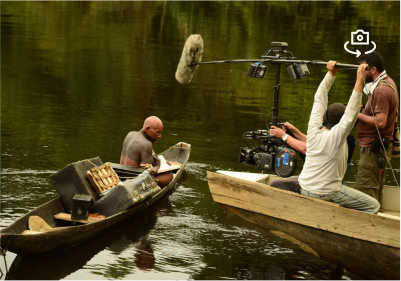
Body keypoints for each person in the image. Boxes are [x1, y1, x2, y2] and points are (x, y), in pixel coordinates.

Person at [298, 61, 380, 214]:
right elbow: (351, 113)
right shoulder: (337, 136)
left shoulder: (313, 128)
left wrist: (331, 74)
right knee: (374, 206)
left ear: (325, 116)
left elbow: (319, 99)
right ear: (339, 123)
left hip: (305, 187)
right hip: (326, 192)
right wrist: (359, 80)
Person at [353, 52, 399, 206]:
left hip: (374, 149)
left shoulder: (381, 90)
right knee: (374, 188)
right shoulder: (388, 82)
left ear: (372, 70)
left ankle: (368, 226)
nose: (360, 72)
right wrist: (362, 109)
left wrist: (355, 115)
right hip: (379, 147)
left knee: (365, 192)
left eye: (363, 69)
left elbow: (380, 122)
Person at [120, 116, 173, 187]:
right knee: (169, 175)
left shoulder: (130, 134)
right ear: (147, 129)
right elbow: (146, 174)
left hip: (121, 174)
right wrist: (157, 166)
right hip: (133, 180)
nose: (160, 136)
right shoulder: (146, 144)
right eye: (158, 132)